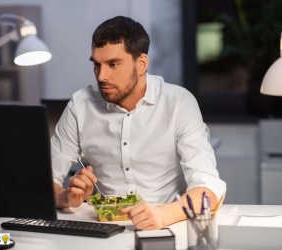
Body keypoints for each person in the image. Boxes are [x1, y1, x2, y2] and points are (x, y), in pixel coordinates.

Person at [51, 16, 226, 230]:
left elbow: (208, 188)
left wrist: (162, 215)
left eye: (113, 64)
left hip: (167, 225)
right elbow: (45, 180)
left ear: (141, 63)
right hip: (101, 228)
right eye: (97, 65)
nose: (102, 76)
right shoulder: (80, 105)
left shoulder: (179, 103)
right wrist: (67, 197)